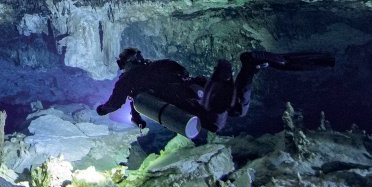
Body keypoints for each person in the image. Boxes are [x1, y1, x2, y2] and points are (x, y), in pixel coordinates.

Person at [95, 47, 335, 134]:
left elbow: (114, 103)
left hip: (185, 101)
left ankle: (238, 71)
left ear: (125, 65)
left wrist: (102, 110)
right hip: (199, 88)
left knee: (215, 124)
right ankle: (249, 66)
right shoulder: (162, 63)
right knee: (238, 110)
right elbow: (182, 72)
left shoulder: (128, 80)